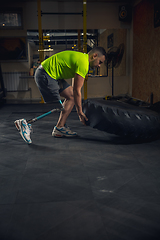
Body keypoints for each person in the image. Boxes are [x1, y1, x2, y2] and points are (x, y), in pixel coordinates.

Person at [14, 46, 107, 143]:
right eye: (100, 62)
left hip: (50, 75)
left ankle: (60, 127)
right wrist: (79, 112)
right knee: (57, 106)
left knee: (71, 96)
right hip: (45, 74)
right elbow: (77, 90)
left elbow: (74, 88)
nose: (99, 65)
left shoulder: (81, 58)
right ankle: (25, 123)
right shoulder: (84, 63)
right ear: (94, 56)